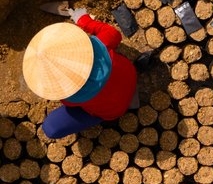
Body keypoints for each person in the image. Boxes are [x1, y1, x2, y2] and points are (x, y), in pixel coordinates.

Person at [22, 9, 138, 139]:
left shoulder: (69, 97)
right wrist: (84, 20)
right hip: (130, 76)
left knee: (50, 128)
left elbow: (70, 102)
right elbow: (114, 34)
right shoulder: (97, 45)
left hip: (114, 111)